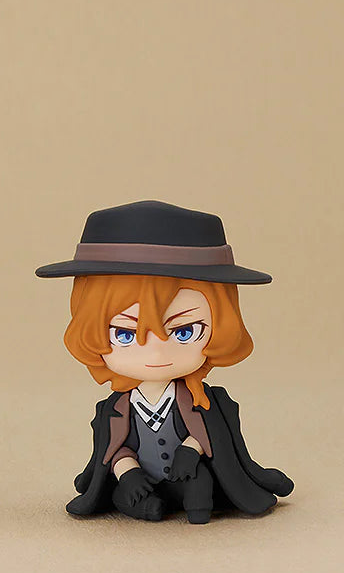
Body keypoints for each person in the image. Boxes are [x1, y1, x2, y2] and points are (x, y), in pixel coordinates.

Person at [36, 200, 293, 523]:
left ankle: (196, 507)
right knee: (130, 498)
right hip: (143, 480)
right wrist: (128, 472)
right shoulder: (113, 410)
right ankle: (148, 504)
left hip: (187, 476)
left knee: (200, 491)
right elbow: (114, 448)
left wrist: (191, 449)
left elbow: (212, 434)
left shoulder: (207, 402)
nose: (156, 354)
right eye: (125, 334)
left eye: (185, 332)